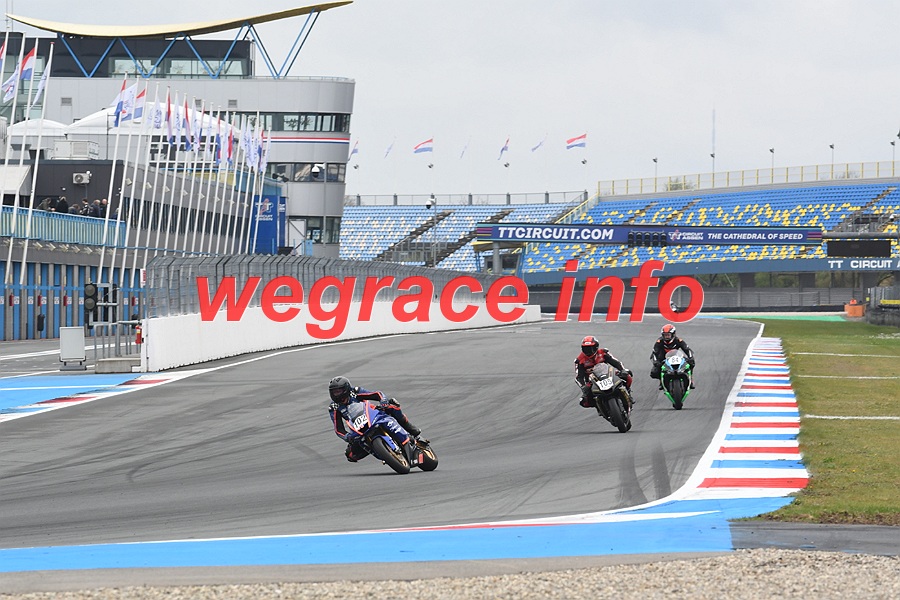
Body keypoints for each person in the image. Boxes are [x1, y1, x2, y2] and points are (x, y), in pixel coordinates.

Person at [327, 376, 426, 463]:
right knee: (350, 454)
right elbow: (338, 429)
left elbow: (377, 394)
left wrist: (383, 400)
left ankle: (412, 430)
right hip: (357, 427)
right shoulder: (334, 407)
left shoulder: (355, 392)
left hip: (373, 414)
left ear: (346, 389)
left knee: (392, 405)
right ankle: (381, 452)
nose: (336, 394)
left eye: (338, 391)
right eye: (334, 392)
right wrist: (347, 437)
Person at [574, 335, 633, 408]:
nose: (588, 351)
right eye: (585, 349)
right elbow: (578, 377)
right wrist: (583, 386)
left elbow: (616, 362)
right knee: (584, 402)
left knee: (627, 376)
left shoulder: (603, 352)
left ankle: (628, 393)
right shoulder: (580, 360)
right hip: (592, 381)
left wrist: (622, 370)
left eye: (590, 348)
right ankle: (600, 406)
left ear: (596, 347)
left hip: (608, 375)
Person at [650, 324, 695, 390]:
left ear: (673, 334)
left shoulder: (678, 341)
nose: (666, 337)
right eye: (665, 335)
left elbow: (687, 349)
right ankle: (661, 381)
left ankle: (690, 379)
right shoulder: (659, 342)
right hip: (663, 358)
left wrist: (690, 358)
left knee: (691, 363)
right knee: (654, 372)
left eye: (668, 335)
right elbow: (654, 353)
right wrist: (656, 362)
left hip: (676, 356)